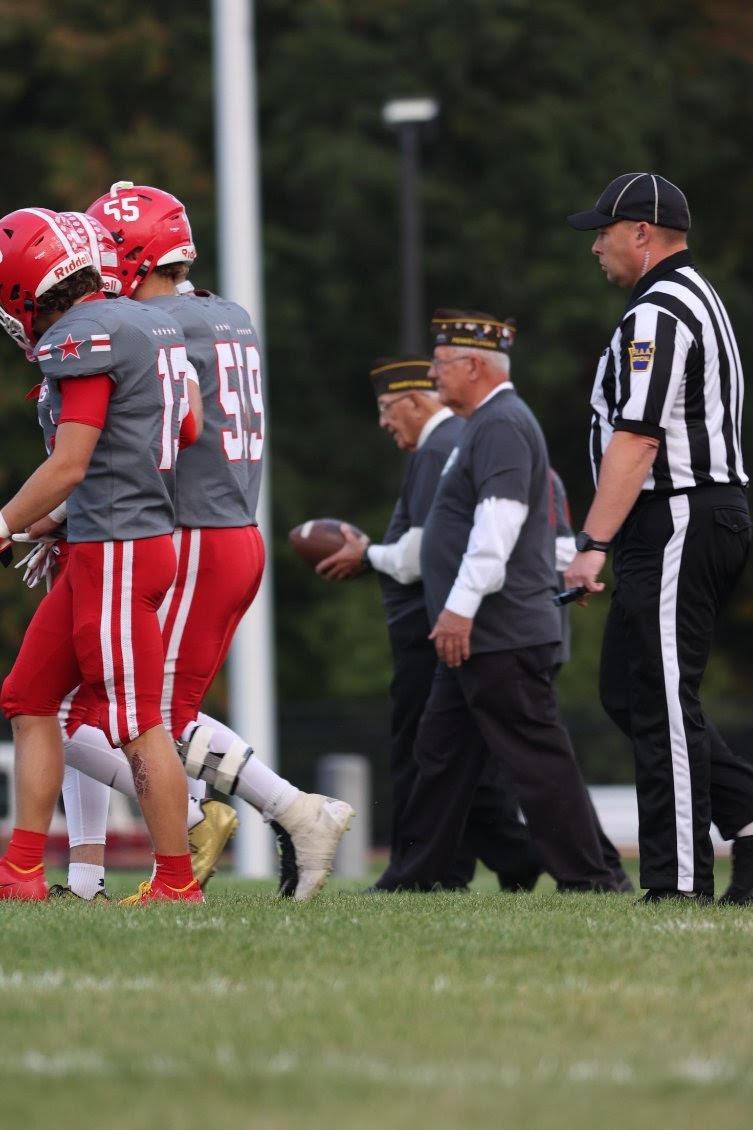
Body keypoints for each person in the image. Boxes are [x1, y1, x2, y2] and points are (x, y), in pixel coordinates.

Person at [81, 181, 353, 902]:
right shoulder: (224, 313)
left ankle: (257, 814)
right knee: (146, 712)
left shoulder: (158, 324)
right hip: (227, 532)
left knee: (127, 716)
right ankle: (292, 814)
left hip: (194, 534)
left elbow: (162, 432)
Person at [377, 309, 619, 892]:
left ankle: (593, 878)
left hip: (498, 630)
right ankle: (414, 877)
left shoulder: (502, 424)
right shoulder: (484, 424)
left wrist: (459, 608)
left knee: (537, 765)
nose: (434, 378)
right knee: (439, 758)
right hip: (481, 632)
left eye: (441, 366)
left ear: (476, 366)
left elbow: (498, 527)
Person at [0, 207, 202, 903]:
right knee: (28, 697)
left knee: (135, 722)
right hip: (108, 539)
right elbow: (185, 423)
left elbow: (70, 463)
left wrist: (6, 521)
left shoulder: (90, 335)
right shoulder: (141, 321)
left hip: (118, 547)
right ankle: (21, 871)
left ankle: (177, 881)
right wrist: (55, 522)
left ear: (31, 282)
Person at [565, 172, 753, 903]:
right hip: (687, 515)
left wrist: (592, 543)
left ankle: (676, 882)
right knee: (627, 688)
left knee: (664, 698)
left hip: (678, 513)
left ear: (640, 232)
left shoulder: (658, 311)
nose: (595, 249)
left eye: (601, 233)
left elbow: (638, 438)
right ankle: (745, 815)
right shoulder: (693, 296)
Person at [316, 355, 542, 891]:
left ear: (416, 402)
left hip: (431, 626)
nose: (382, 423)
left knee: (430, 757)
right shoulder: (444, 445)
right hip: (437, 623)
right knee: (456, 761)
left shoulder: (440, 446)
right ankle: (489, 862)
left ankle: (438, 870)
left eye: (388, 409)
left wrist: (368, 554)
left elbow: (423, 550)